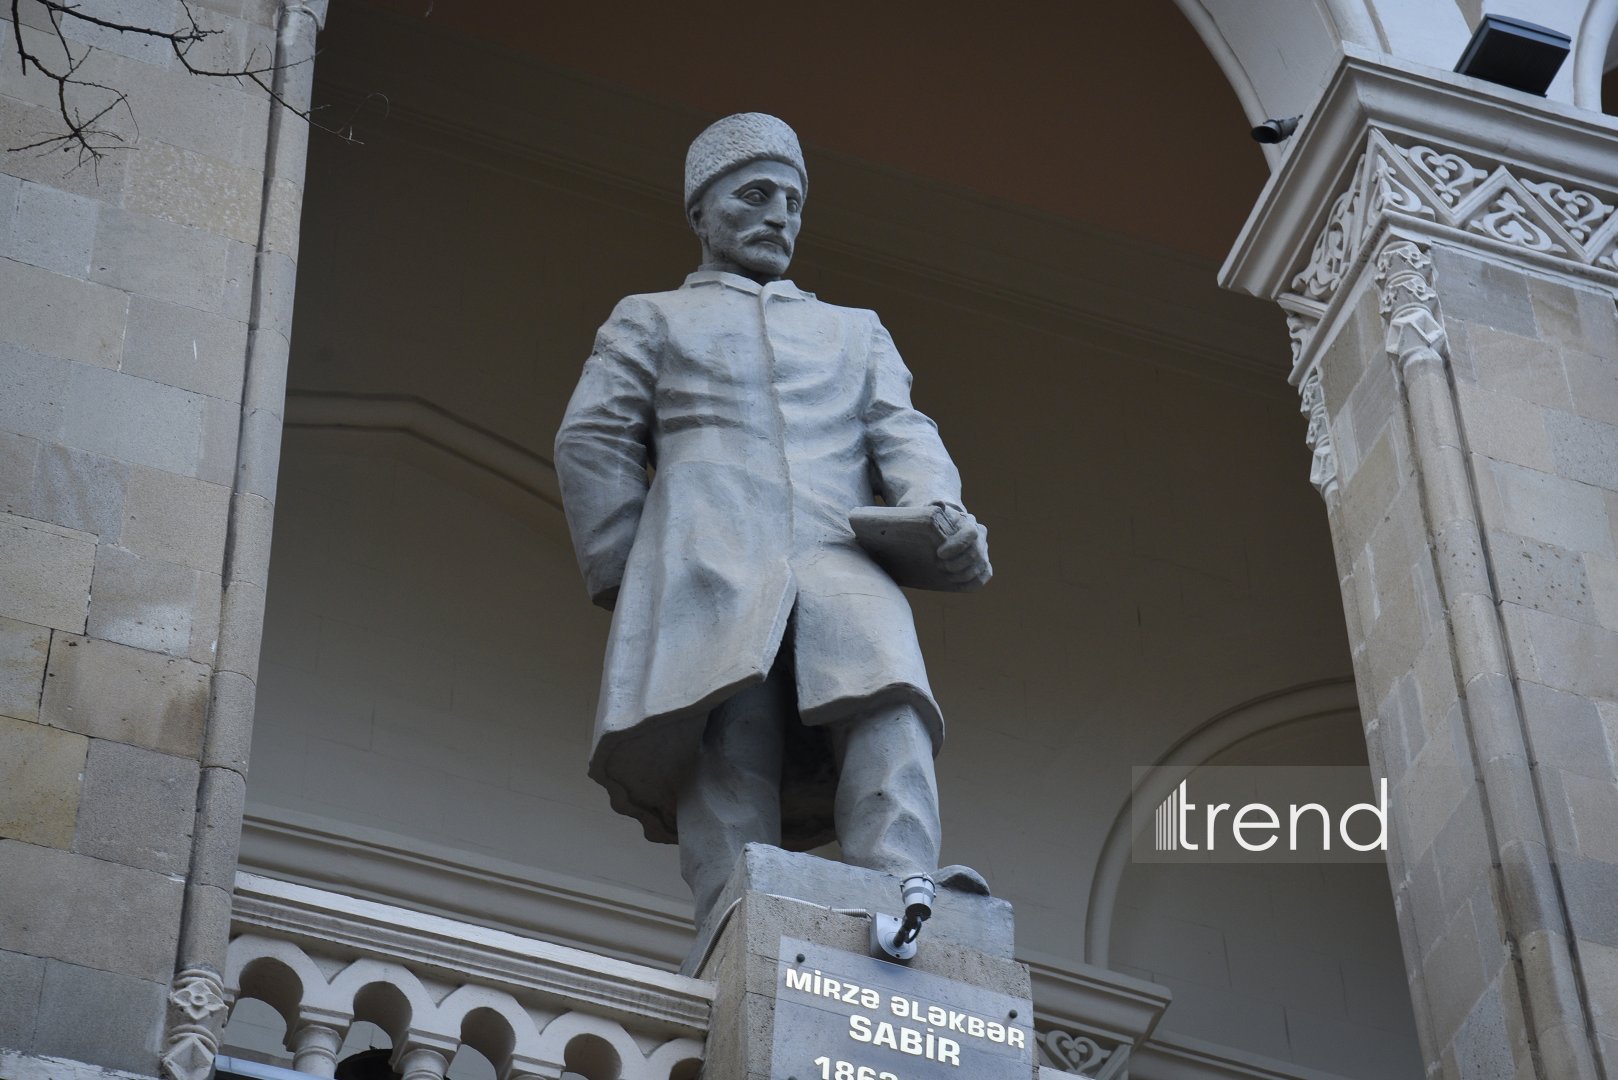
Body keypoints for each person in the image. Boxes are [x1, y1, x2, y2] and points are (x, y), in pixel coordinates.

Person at [555, 113, 991, 928]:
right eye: (755, 195)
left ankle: (904, 879)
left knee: (890, 697)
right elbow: (595, 437)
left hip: (839, 548)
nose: (779, 216)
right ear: (701, 210)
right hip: (706, 546)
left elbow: (903, 430)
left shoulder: (854, 330)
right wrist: (630, 574)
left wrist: (942, 509)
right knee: (728, 718)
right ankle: (734, 905)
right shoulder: (652, 317)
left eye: (792, 201)